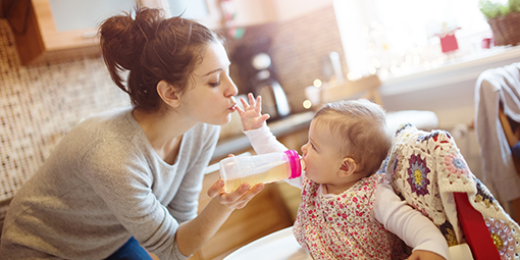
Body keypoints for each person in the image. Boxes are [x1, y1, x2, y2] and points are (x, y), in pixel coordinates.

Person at [0, 7, 264, 260]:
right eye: (215, 81)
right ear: (171, 93)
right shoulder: (113, 156)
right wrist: (224, 205)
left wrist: (224, 203)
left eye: (228, 73)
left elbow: (180, 225)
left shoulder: (203, 128)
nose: (233, 88)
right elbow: (173, 249)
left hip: (108, 241)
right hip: (41, 250)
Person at [236, 94, 449, 260]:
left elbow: (411, 222)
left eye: (314, 146)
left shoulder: (374, 197)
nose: (303, 149)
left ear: (345, 167)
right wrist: (257, 130)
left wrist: (430, 246)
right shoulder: (313, 181)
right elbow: (278, 157)